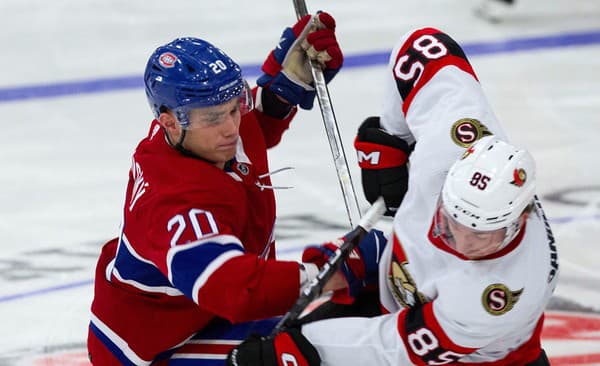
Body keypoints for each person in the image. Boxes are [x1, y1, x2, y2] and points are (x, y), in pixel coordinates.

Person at [227, 27, 559, 365]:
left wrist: (299, 352)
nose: (460, 241)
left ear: (520, 221)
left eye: (480, 237)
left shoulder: (499, 292)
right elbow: (424, 47)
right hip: (398, 302)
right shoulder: (453, 144)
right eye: (449, 221)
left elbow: (392, 348)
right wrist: (393, 136)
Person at [87, 12, 349, 365]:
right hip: (156, 351)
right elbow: (234, 288)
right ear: (169, 122)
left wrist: (286, 86)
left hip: (199, 317)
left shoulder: (198, 137)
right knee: (293, 354)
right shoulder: (173, 201)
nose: (230, 128)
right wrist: (328, 275)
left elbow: (254, 123)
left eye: (232, 109)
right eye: (213, 118)